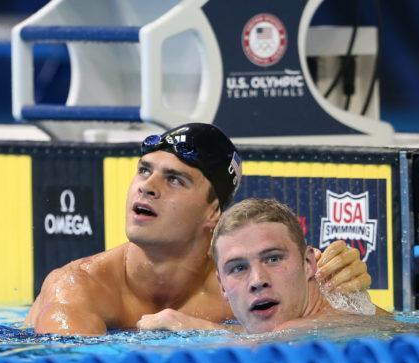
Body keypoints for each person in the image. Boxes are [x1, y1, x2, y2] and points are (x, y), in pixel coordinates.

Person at [26, 123, 371, 336]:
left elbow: (396, 332)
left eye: (175, 179)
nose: (147, 187)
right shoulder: (79, 288)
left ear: (213, 212)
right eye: (145, 170)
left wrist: (353, 297)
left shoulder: (240, 284)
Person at [138, 198, 386, 334]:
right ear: (222, 286)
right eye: (238, 268)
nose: (257, 280)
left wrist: (188, 325)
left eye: (273, 259)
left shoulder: (333, 320)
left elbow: (268, 343)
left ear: (309, 263)